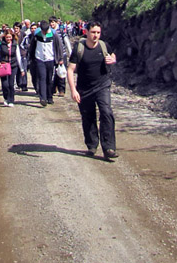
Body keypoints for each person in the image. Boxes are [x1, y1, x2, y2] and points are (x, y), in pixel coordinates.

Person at [66, 21, 119, 160]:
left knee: (106, 112)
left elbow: (113, 55)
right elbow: (70, 70)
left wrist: (112, 60)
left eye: (98, 33)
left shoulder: (104, 45)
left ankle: (109, 148)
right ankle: (92, 145)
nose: (96, 35)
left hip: (103, 85)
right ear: (87, 32)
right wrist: (73, 90)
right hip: (84, 88)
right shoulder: (79, 47)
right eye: (93, 32)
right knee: (88, 117)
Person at [30, 20, 63, 106]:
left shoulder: (54, 34)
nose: (44, 32)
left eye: (45, 31)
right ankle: (43, 98)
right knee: (42, 78)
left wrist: (60, 58)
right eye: (43, 31)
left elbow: (59, 47)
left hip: (50, 59)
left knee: (49, 79)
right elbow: (32, 46)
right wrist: (31, 57)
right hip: (39, 59)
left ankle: (49, 96)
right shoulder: (37, 34)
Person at [0, 30, 25, 107]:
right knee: (5, 84)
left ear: (12, 37)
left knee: (11, 84)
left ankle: (11, 100)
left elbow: (18, 57)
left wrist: (21, 69)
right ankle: (6, 97)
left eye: (10, 37)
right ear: (4, 37)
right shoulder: (0, 44)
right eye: (7, 37)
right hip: (3, 65)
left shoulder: (15, 45)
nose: (8, 39)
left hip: (13, 66)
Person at [49, 16, 71, 97]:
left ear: (56, 22)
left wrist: (70, 54)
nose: (52, 24)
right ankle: (53, 88)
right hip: (52, 55)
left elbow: (67, 42)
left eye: (53, 22)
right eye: (50, 22)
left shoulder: (61, 31)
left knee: (61, 72)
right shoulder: (49, 32)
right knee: (53, 72)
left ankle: (61, 90)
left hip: (62, 54)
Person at [20, 22, 38, 93]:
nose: (33, 30)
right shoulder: (27, 37)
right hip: (30, 58)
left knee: (39, 74)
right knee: (33, 74)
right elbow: (22, 45)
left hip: (39, 58)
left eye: (35, 28)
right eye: (32, 28)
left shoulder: (40, 37)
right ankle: (36, 88)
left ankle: (40, 89)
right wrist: (26, 49)